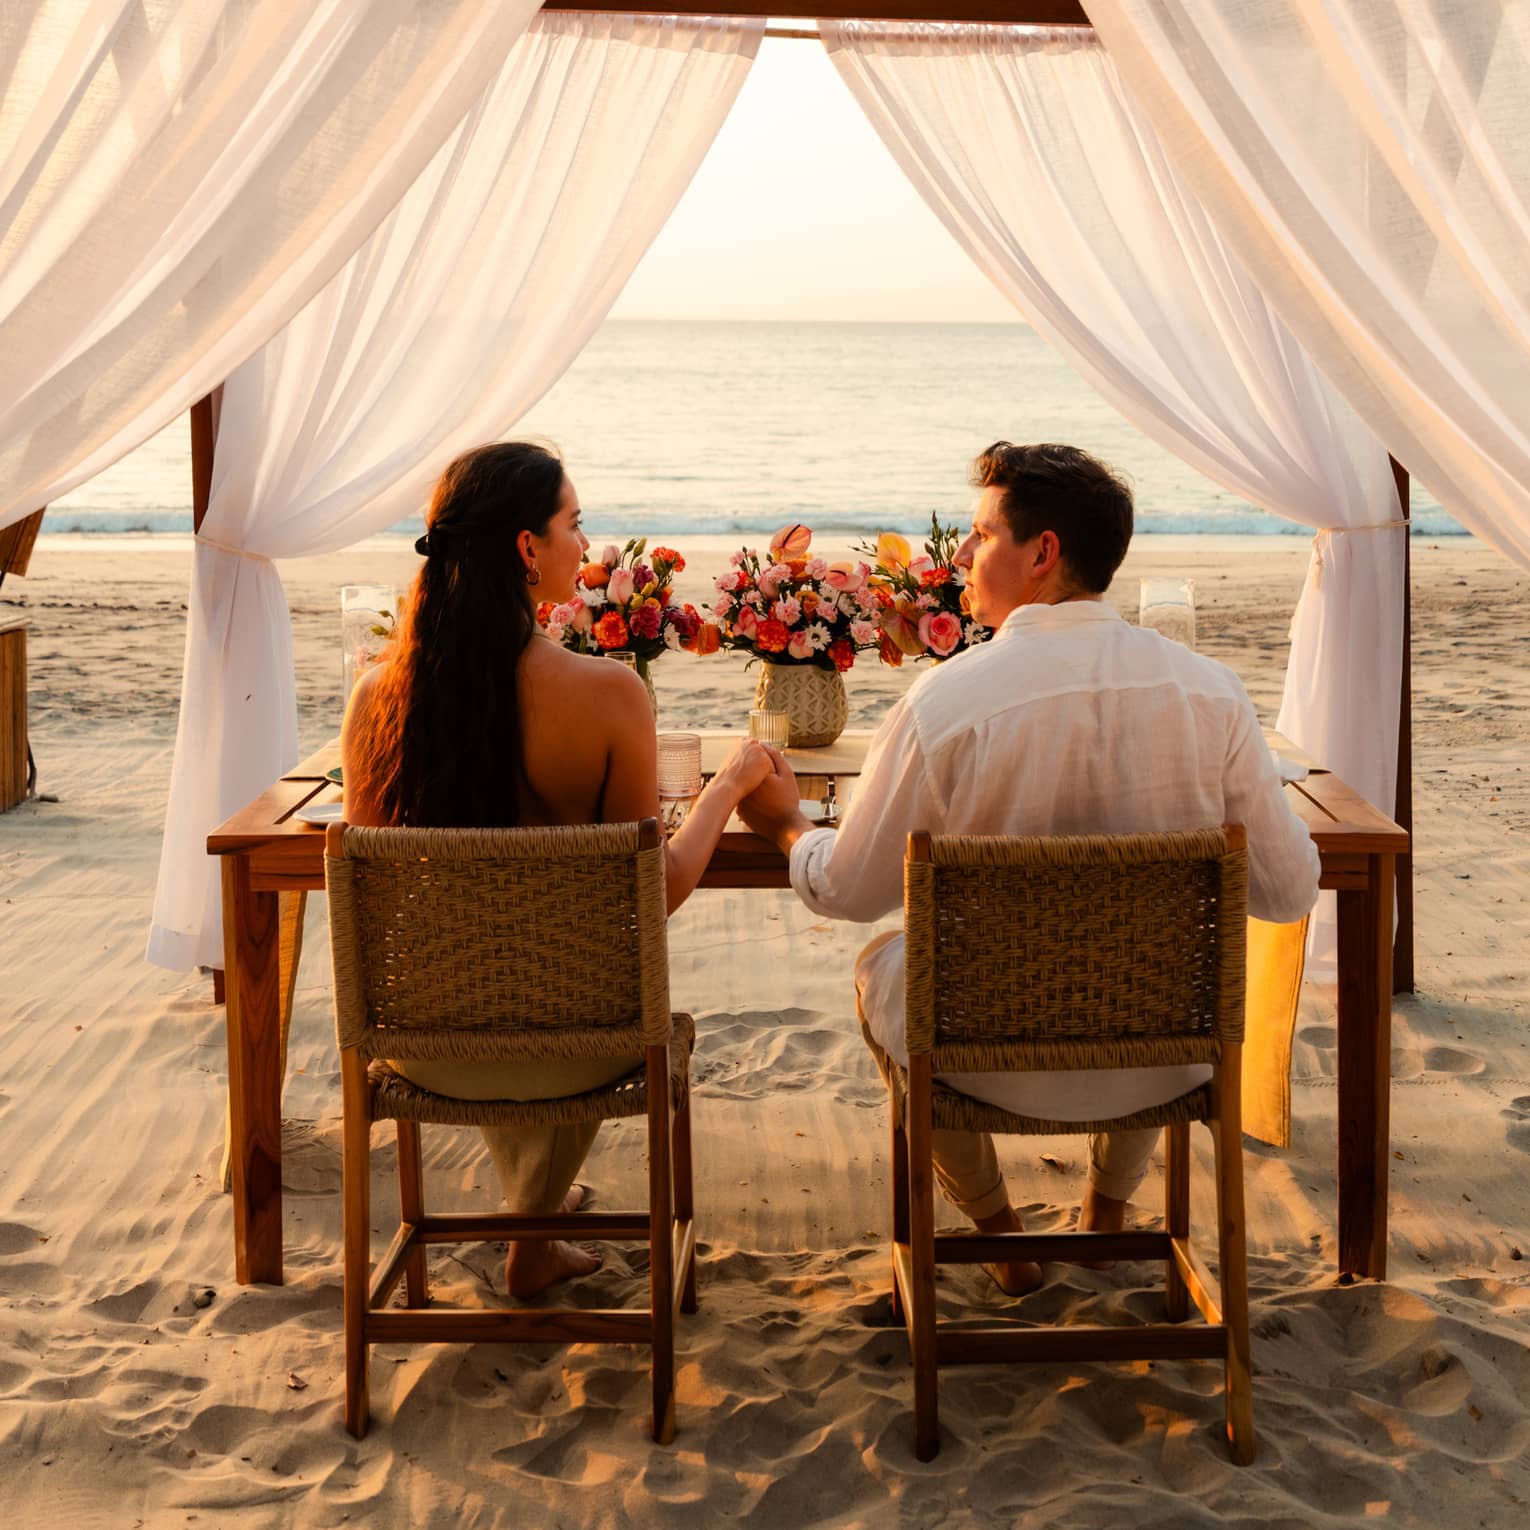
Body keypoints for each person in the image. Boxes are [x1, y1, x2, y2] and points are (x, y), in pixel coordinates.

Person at [738, 442, 1320, 1296]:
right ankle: (1107, 1214)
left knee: (880, 968)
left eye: (980, 535)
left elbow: (848, 890)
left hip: (980, 1058)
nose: (965, 557)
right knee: (1142, 955)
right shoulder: (1211, 695)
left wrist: (788, 824)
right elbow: (1289, 888)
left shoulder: (946, 702)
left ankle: (1000, 1232)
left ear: (1041, 552)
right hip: (1164, 1059)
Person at [342, 441, 772, 1296]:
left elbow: (384, 900)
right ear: (527, 548)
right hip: (583, 1056)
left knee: (498, 948)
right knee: (582, 970)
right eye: (574, 524)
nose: (587, 543)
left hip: (427, 1052)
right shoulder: (608, 695)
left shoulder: (376, 703)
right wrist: (728, 790)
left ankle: (530, 1233)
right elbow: (651, 900)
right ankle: (531, 1235)